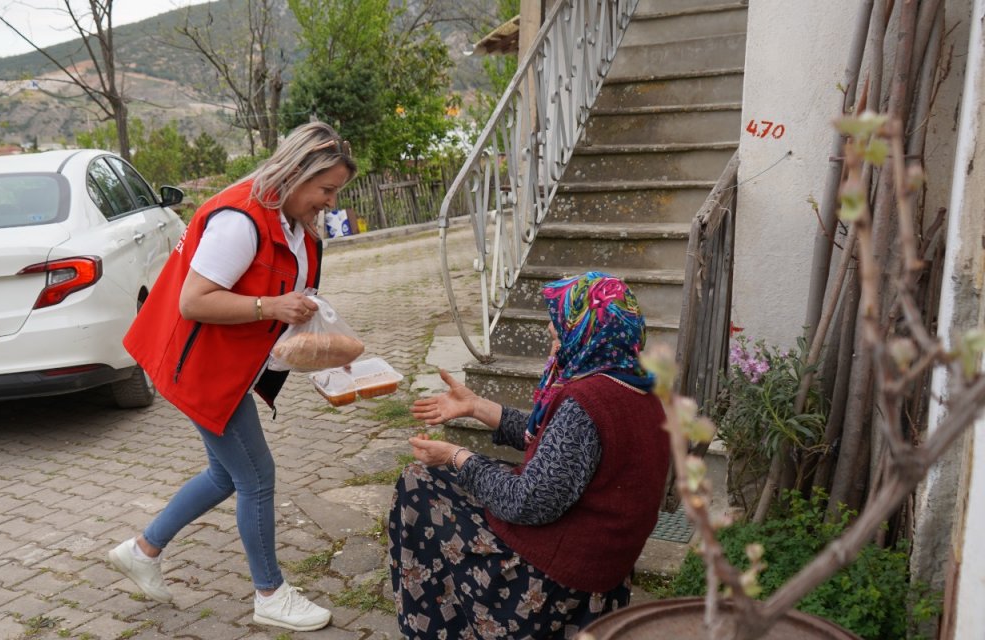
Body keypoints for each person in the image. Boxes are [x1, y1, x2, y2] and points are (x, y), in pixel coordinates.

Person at [112, 121, 357, 632]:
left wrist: (327, 351)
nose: (329, 204)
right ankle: (270, 594)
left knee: (227, 473)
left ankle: (142, 549)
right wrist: (270, 305)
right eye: (326, 190)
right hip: (198, 367)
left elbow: (293, 304)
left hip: (225, 365)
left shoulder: (289, 221)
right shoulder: (241, 220)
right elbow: (195, 300)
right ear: (295, 173)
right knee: (255, 476)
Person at [390, 271, 669, 638]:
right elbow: (552, 444)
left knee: (418, 483)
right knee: (460, 477)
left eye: (558, 330)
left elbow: (527, 503)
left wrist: (456, 456)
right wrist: (475, 406)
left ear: (585, 333)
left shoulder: (587, 403)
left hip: (551, 588)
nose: (552, 340)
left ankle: (440, 627)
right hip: (598, 572)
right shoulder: (634, 388)